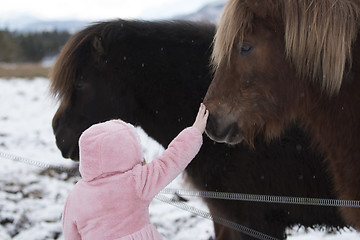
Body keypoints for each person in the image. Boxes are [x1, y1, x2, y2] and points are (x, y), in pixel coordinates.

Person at [62, 103, 209, 240]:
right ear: (125, 151)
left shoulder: (75, 195)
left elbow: (71, 234)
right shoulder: (136, 181)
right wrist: (195, 132)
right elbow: (172, 159)